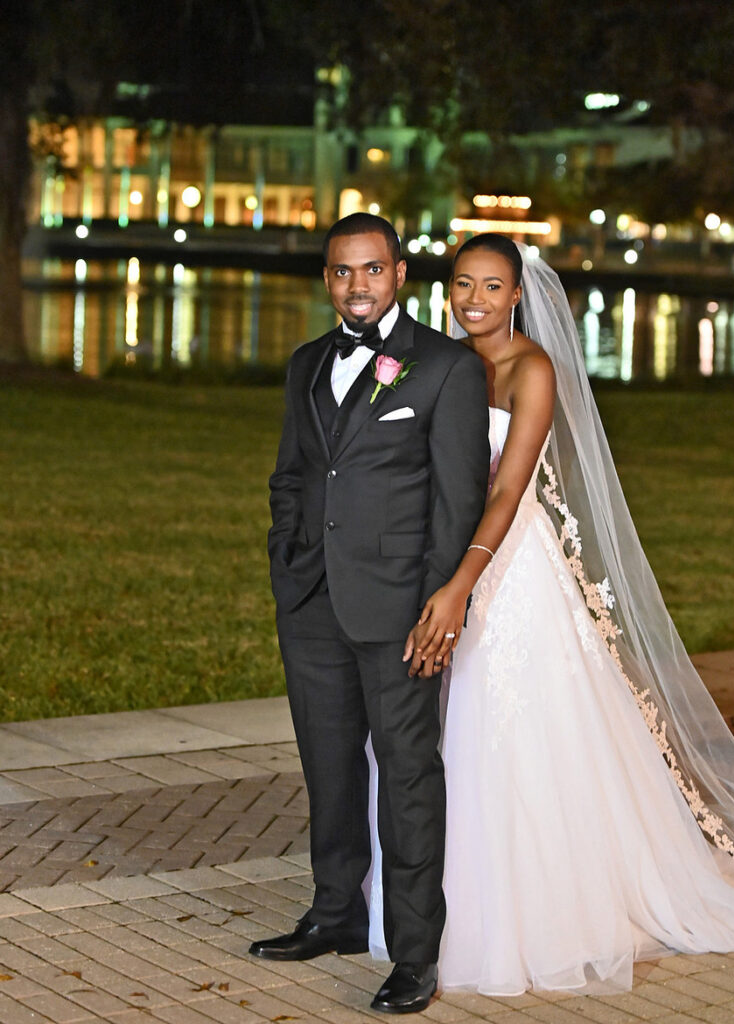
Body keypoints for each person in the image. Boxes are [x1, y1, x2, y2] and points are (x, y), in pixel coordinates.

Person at [367, 233, 734, 996]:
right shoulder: (439, 361)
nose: (474, 299)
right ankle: (419, 903)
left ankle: (533, 910)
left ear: (517, 295)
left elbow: (508, 493)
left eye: (490, 286)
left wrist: (461, 585)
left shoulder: (530, 371)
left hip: (505, 570)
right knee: (427, 733)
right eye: (462, 284)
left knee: (508, 732)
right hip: (436, 559)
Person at [251, 213, 489, 1014]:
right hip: (312, 601)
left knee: (408, 777)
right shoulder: (306, 363)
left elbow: (458, 502)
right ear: (328, 279)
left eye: (372, 270)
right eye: (342, 271)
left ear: (399, 274)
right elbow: (292, 473)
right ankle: (334, 915)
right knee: (328, 766)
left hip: (399, 611)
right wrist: (287, 560)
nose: (357, 285)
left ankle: (415, 955)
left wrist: (438, 601)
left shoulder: (445, 368)